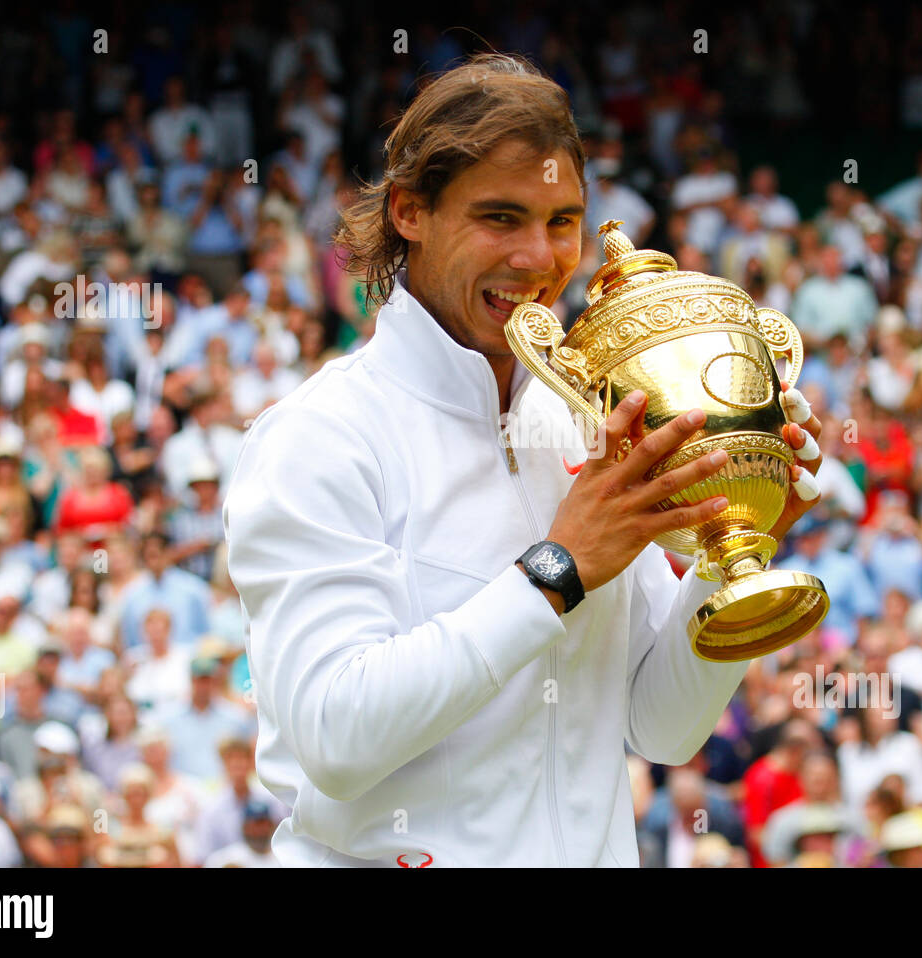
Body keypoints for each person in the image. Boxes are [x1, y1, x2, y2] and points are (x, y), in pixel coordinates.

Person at [223, 55, 824, 867]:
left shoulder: (593, 421)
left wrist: (735, 545)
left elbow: (664, 727)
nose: (540, 259)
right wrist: (559, 568)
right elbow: (336, 735)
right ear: (409, 212)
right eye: (500, 218)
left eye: (562, 221)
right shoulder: (318, 436)